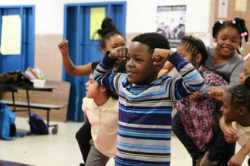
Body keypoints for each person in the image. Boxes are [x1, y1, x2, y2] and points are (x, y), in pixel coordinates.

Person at [93, 32, 205, 165]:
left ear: (157, 64)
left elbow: (196, 82)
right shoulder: (122, 82)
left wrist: (172, 56)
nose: (130, 64)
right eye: (128, 58)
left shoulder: (166, 87)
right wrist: (110, 57)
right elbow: (98, 76)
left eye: (138, 59)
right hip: (123, 162)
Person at [171, 17, 249, 166]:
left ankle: (211, 157)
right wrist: (188, 88)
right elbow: (184, 65)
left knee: (225, 136)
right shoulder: (205, 53)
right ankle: (198, 156)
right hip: (196, 108)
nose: (228, 43)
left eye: (234, 40)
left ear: (239, 41)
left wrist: (209, 90)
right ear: (215, 38)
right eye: (223, 38)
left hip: (221, 107)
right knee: (176, 123)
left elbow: (234, 87)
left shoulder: (238, 62)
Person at [58, 17, 126, 165]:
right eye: (115, 46)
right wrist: (64, 53)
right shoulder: (98, 67)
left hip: (119, 117)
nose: (120, 51)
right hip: (103, 115)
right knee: (82, 135)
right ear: (103, 49)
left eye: (123, 46)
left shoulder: (129, 67)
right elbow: (72, 70)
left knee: (119, 147)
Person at [170, 36, 228, 166]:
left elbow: (229, 105)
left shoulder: (211, 79)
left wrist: (212, 155)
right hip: (198, 145)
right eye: (176, 56)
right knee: (175, 123)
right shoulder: (179, 79)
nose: (177, 61)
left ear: (197, 58)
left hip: (218, 146)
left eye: (182, 56)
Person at [82, 65, 119, 166]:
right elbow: (87, 120)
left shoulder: (119, 107)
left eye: (91, 81)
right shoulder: (86, 102)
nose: (86, 84)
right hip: (99, 146)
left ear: (103, 87)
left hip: (121, 150)